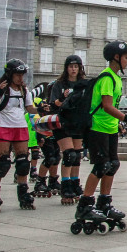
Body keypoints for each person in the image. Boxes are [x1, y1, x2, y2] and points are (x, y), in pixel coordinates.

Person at [74, 41, 127, 227]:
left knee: (112, 164)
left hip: (110, 128)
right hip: (97, 128)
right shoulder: (107, 78)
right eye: (126, 57)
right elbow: (106, 106)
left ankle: (104, 203)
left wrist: (120, 123)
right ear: (116, 58)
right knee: (101, 165)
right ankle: (85, 204)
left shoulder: (116, 78)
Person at [0, 59, 37, 211]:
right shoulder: (0, 88)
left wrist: (44, 109)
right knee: (3, 163)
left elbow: (29, 108)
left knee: (23, 163)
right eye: (17, 74)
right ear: (10, 74)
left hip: (20, 126)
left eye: (22, 74)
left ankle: (23, 194)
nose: (21, 77)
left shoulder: (24, 90)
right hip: (3, 126)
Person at [48, 54, 85, 205]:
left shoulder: (83, 84)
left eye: (76, 66)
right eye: (71, 66)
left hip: (77, 122)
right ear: (66, 68)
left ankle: (75, 183)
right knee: (68, 155)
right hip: (62, 121)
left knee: (76, 156)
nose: (73, 69)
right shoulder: (59, 84)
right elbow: (53, 105)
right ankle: (65, 185)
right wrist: (63, 98)